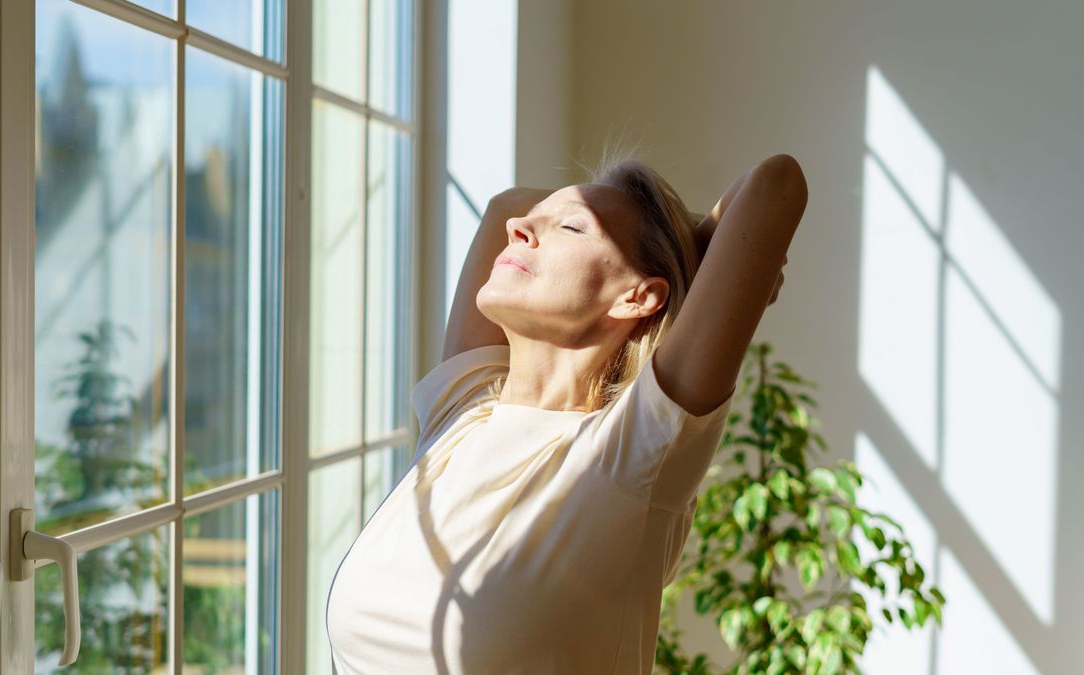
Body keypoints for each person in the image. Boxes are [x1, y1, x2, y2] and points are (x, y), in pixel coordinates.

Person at [326, 148, 807, 674]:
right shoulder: (461, 412)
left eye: (573, 229)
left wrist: (693, 250)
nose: (519, 227)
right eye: (539, 220)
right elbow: (503, 206)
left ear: (637, 296)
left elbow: (775, 186)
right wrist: (682, 243)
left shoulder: (632, 454)